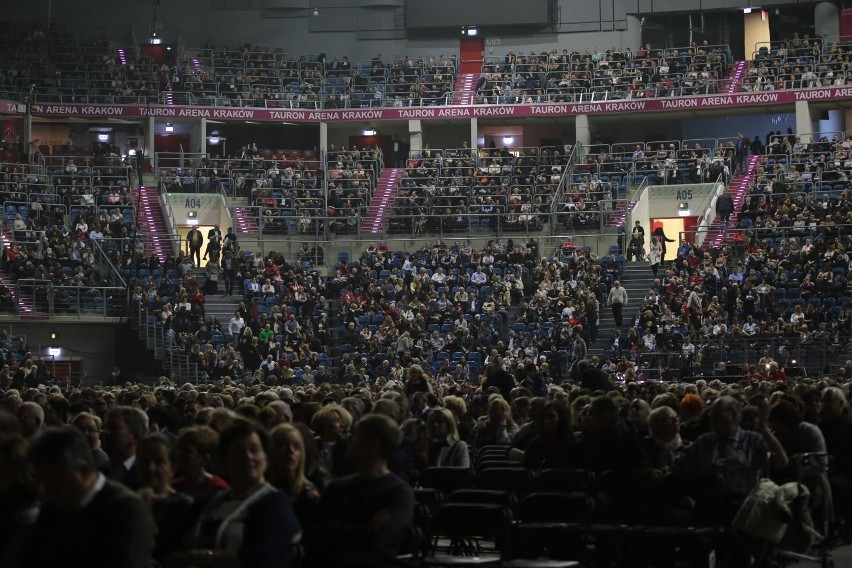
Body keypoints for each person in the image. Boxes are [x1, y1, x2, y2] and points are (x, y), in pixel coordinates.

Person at [173, 419, 301, 568]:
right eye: (239, 452)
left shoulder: (276, 503)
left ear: (265, 458)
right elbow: (172, 548)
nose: (248, 457)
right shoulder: (206, 501)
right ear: (224, 460)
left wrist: (201, 557)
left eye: (254, 450)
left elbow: (264, 556)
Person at [24, 427, 154, 568]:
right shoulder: (53, 507)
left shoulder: (126, 508)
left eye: (52, 482)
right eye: (40, 482)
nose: (44, 492)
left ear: (83, 471)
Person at [311, 414, 414, 565]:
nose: (348, 440)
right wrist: (364, 529)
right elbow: (316, 534)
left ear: (374, 445)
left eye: (355, 436)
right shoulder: (338, 486)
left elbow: (379, 541)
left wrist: (337, 529)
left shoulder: (398, 493)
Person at [136, 434, 194, 565]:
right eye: (145, 461)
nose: (150, 468)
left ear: (171, 468)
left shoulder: (183, 506)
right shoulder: (125, 503)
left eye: (159, 462)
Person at [268, 423, 321, 524]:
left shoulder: (308, 495)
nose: (291, 451)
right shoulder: (258, 490)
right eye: (283, 445)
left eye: (296, 446)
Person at [102, 406, 149, 490]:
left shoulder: (146, 474)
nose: (106, 432)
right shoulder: (101, 471)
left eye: (114, 428)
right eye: (105, 427)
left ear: (135, 437)